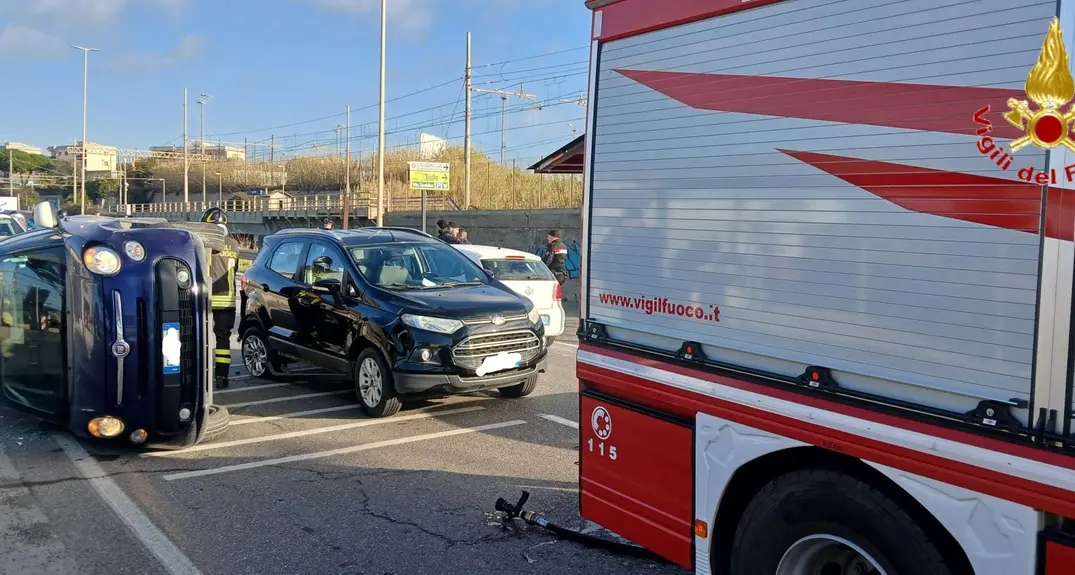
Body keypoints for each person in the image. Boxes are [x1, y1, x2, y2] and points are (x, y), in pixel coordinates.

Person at [200, 207, 243, 389]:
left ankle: (200, 378)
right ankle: (222, 377)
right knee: (223, 341)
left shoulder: (203, 244)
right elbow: (235, 269)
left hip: (204, 299)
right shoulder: (233, 245)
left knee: (200, 339)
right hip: (227, 301)